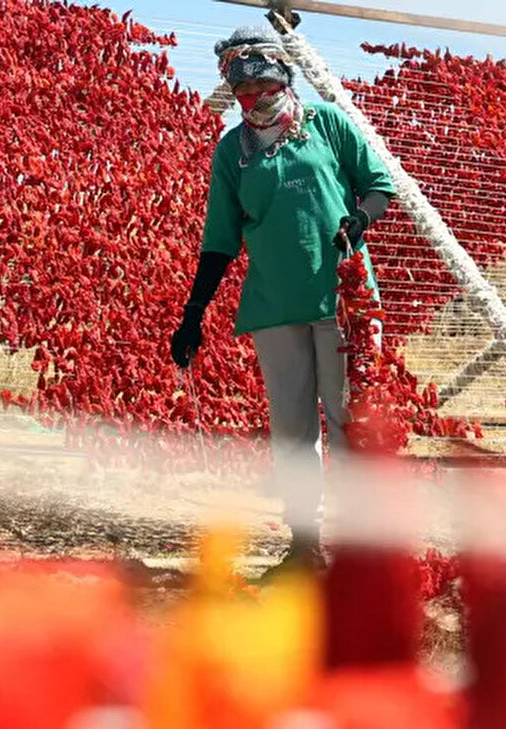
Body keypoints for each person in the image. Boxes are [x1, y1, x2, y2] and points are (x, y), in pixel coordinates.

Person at [170, 27, 396, 571]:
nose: (251, 101)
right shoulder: (234, 152)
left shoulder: (327, 125)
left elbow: (379, 186)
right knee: (293, 431)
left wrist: (359, 219)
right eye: (241, 94)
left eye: (261, 88)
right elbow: (220, 240)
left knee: (351, 420)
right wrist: (193, 314)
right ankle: (304, 546)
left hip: (344, 300)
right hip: (274, 307)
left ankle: (362, 553)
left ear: (282, 77)